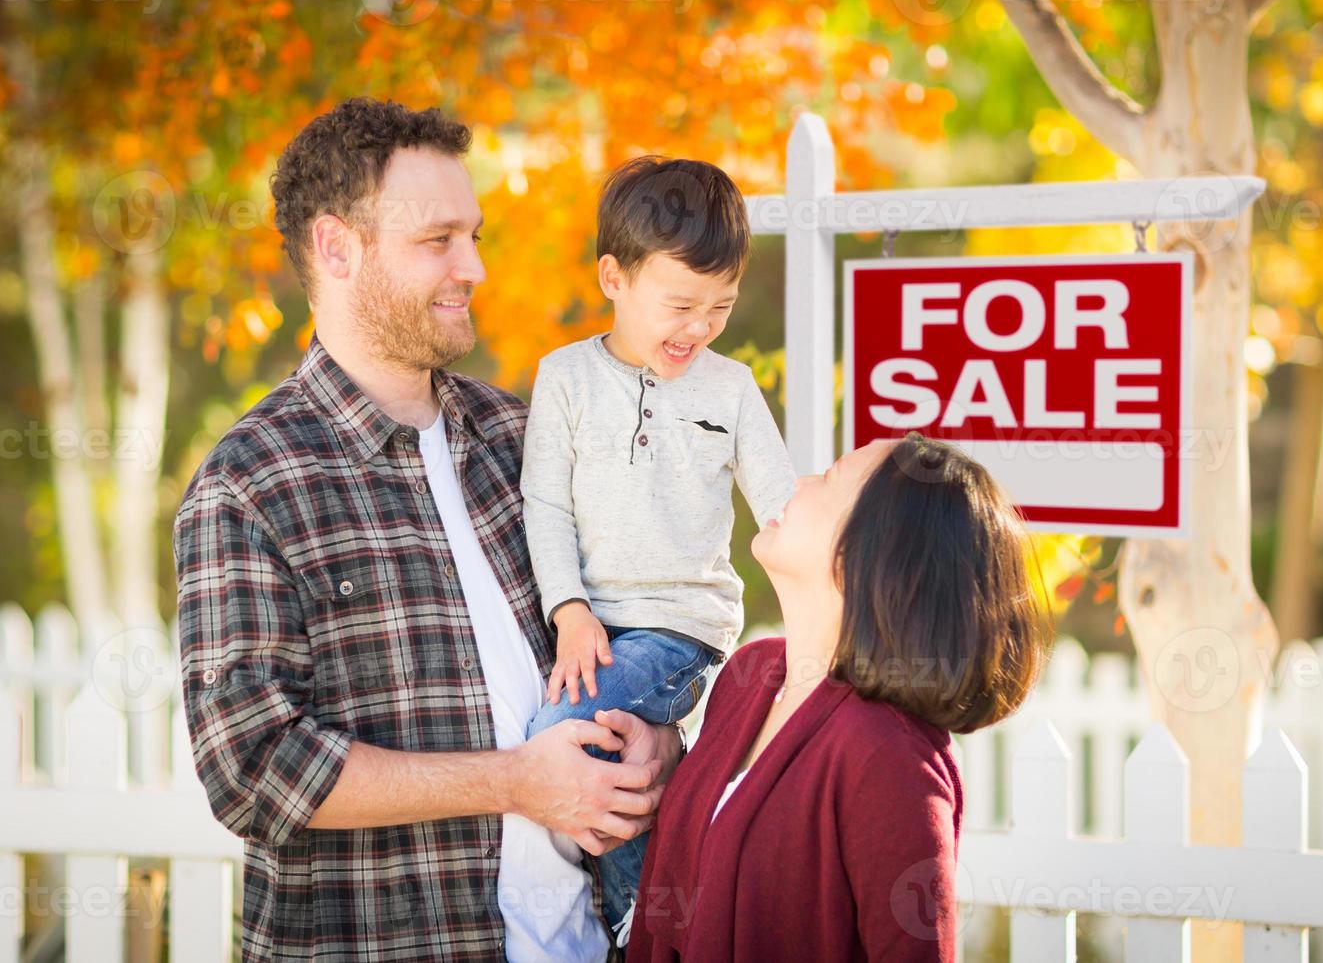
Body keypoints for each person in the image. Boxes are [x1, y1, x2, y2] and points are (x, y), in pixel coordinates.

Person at [173, 97, 681, 962]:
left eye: (474, 235)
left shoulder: (525, 438)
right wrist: (517, 784)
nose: (474, 267)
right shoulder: (250, 482)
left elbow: (640, 625)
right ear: (337, 248)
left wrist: (659, 741)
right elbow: (253, 769)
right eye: (437, 240)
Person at [625, 432, 1054, 962]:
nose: (796, 483)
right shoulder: (750, 675)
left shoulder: (890, 757)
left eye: (829, 479)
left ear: (869, 549)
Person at [519, 155, 797, 938]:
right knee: (581, 742)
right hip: (593, 629)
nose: (700, 328)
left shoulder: (732, 388)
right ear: (614, 277)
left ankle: (644, 919)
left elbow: (783, 508)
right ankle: (644, 914)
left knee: (559, 733)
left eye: (721, 306)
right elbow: (544, 505)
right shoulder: (564, 379)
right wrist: (569, 610)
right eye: (681, 305)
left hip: (681, 633)